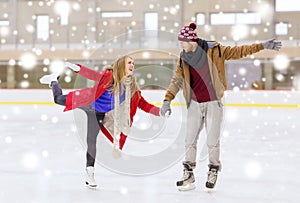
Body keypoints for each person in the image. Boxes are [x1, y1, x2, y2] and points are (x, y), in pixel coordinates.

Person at [160, 22, 282, 191]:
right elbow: (177, 79)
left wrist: (261, 45)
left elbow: (239, 51)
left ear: (192, 41)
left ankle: (213, 170)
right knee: (189, 140)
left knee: (212, 140)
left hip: (213, 102)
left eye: (182, 41)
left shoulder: (215, 50)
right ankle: (188, 174)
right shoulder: (184, 57)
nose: (180, 44)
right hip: (194, 103)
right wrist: (167, 100)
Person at [39, 55, 161, 189]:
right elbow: (92, 74)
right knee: (58, 100)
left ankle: (89, 173)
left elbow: (143, 104)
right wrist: (76, 68)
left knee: (91, 140)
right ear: (121, 66)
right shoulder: (109, 76)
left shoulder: (131, 89)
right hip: (87, 100)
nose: (132, 65)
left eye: (133, 63)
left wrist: (159, 111)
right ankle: (53, 82)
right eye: (129, 63)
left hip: (98, 114)